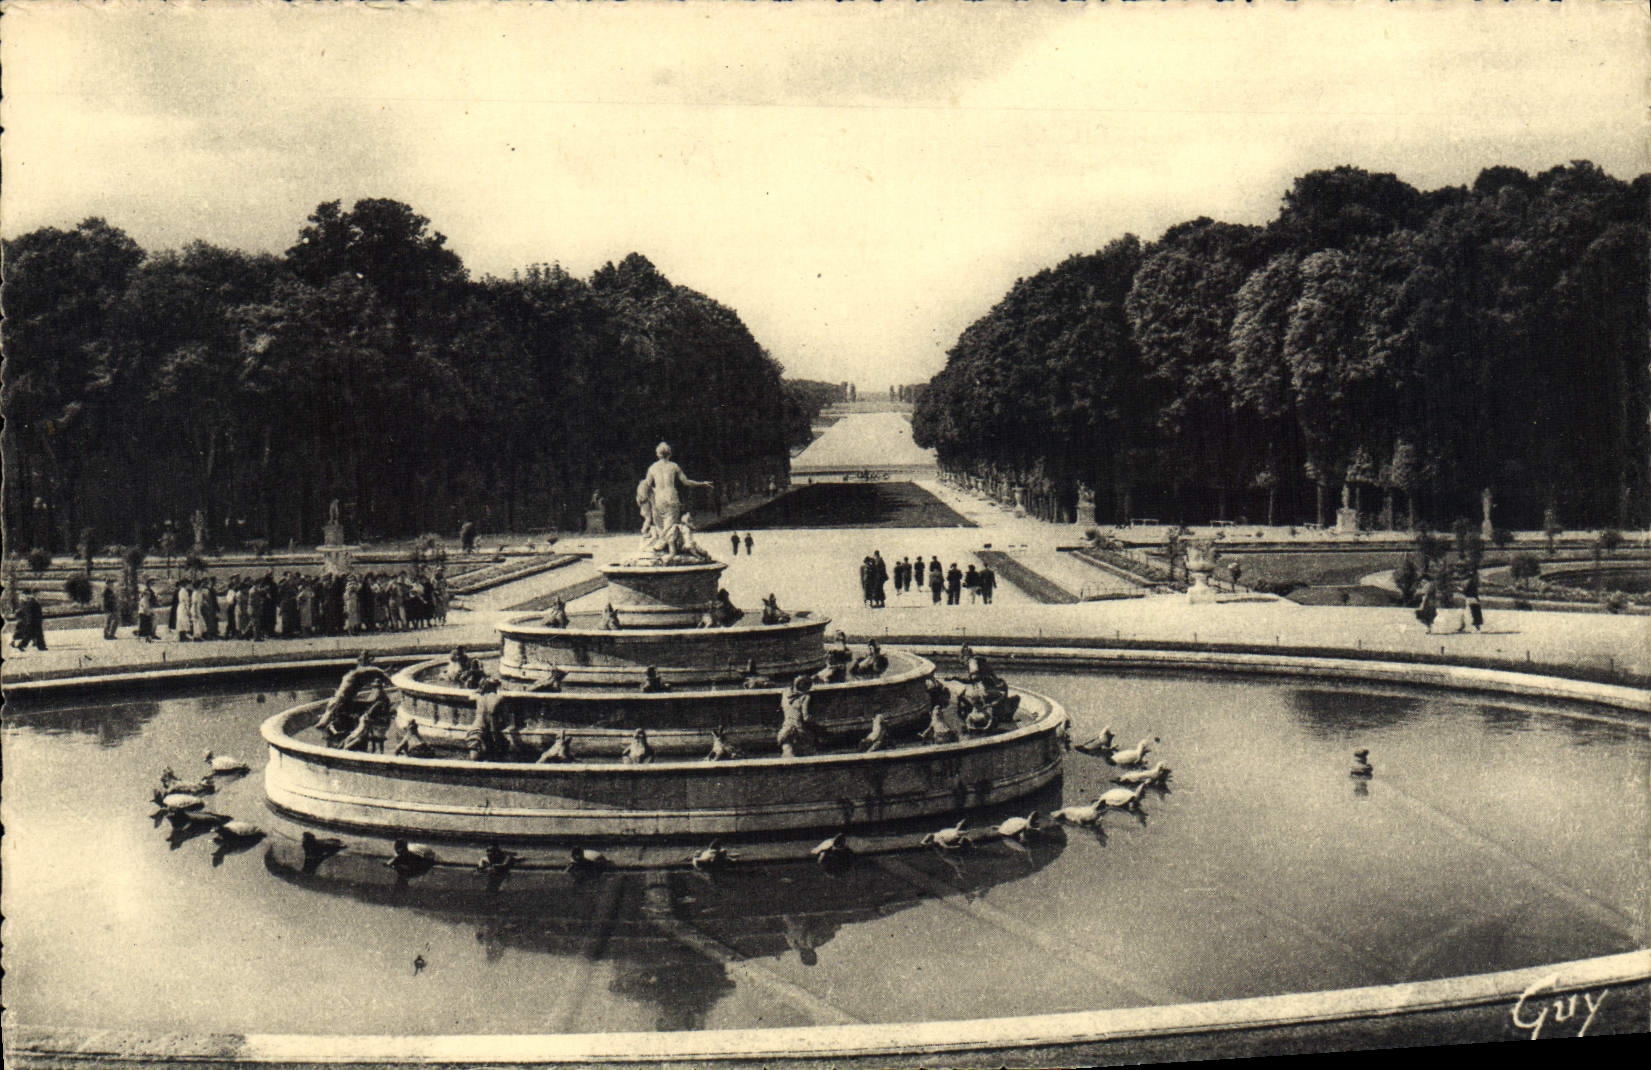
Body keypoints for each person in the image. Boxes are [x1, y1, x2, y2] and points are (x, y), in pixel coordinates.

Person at [777, 675, 818, 757]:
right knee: (810, 751)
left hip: (786, 729)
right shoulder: (805, 697)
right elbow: (805, 717)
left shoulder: (785, 693)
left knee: (787, 751)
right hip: (798, 729)